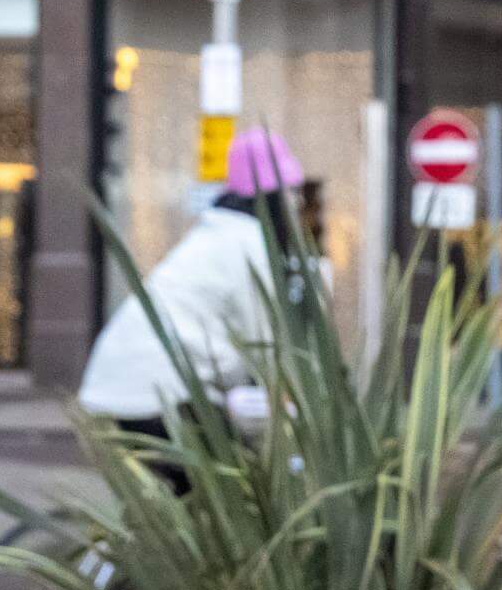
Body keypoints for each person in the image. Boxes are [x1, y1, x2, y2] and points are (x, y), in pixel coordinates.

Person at [77, 127, 322, 471]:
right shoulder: (252, 245)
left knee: (198, 488)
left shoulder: (219, 232)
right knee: (235, 486)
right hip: (160, 396)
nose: (297, 201)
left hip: (123, 388)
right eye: (291, 190)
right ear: (271, 195)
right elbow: (261, 348)